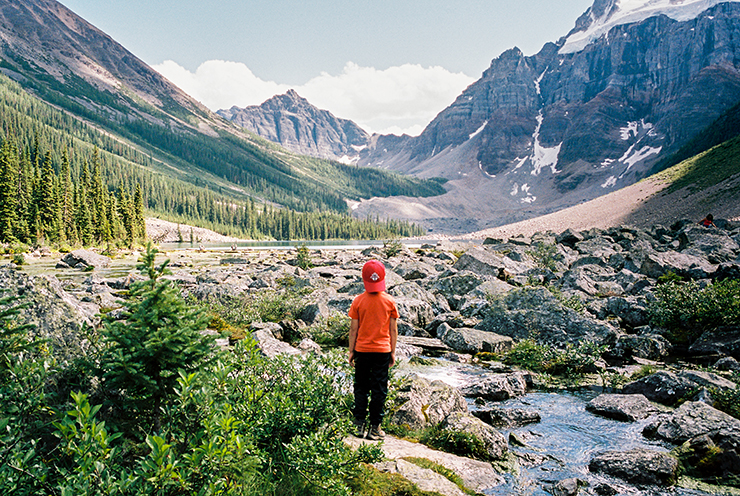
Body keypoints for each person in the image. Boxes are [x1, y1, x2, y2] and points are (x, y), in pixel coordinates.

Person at [348, 259, 398, 440]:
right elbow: (393, 330)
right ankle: (375, 428)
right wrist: (392, 352)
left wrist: (351, 351)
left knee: (361, 387)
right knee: (379, 389)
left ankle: (359, 425)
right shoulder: (389, 302)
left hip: (361, 350)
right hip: (382, 351)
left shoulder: (358, 301)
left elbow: (353, 329)